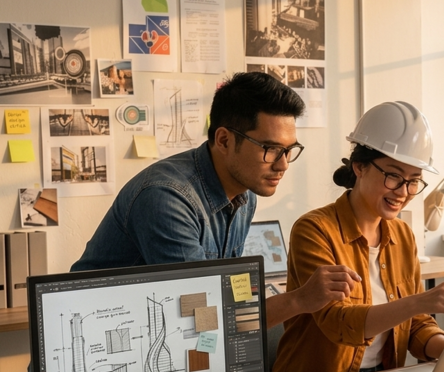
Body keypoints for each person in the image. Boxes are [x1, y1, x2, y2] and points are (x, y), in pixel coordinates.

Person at [71, 72, 360, 329]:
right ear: (224, 141)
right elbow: (200, 316)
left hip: (162, 335)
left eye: (289, 150)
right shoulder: (166, 199)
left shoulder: (245, 193)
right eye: (270, 149)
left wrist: (254, 298)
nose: (283, 165)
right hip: (100, 344)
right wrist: (298, 300)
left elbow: (227, 288)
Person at [270, 101, 444, 372]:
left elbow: (415, 324)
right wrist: (420, 301)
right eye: (393, 176)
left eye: (414, 181)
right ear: (360, 167)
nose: (403, 192)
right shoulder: (314, 229)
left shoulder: (402, 235)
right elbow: (339, 323)